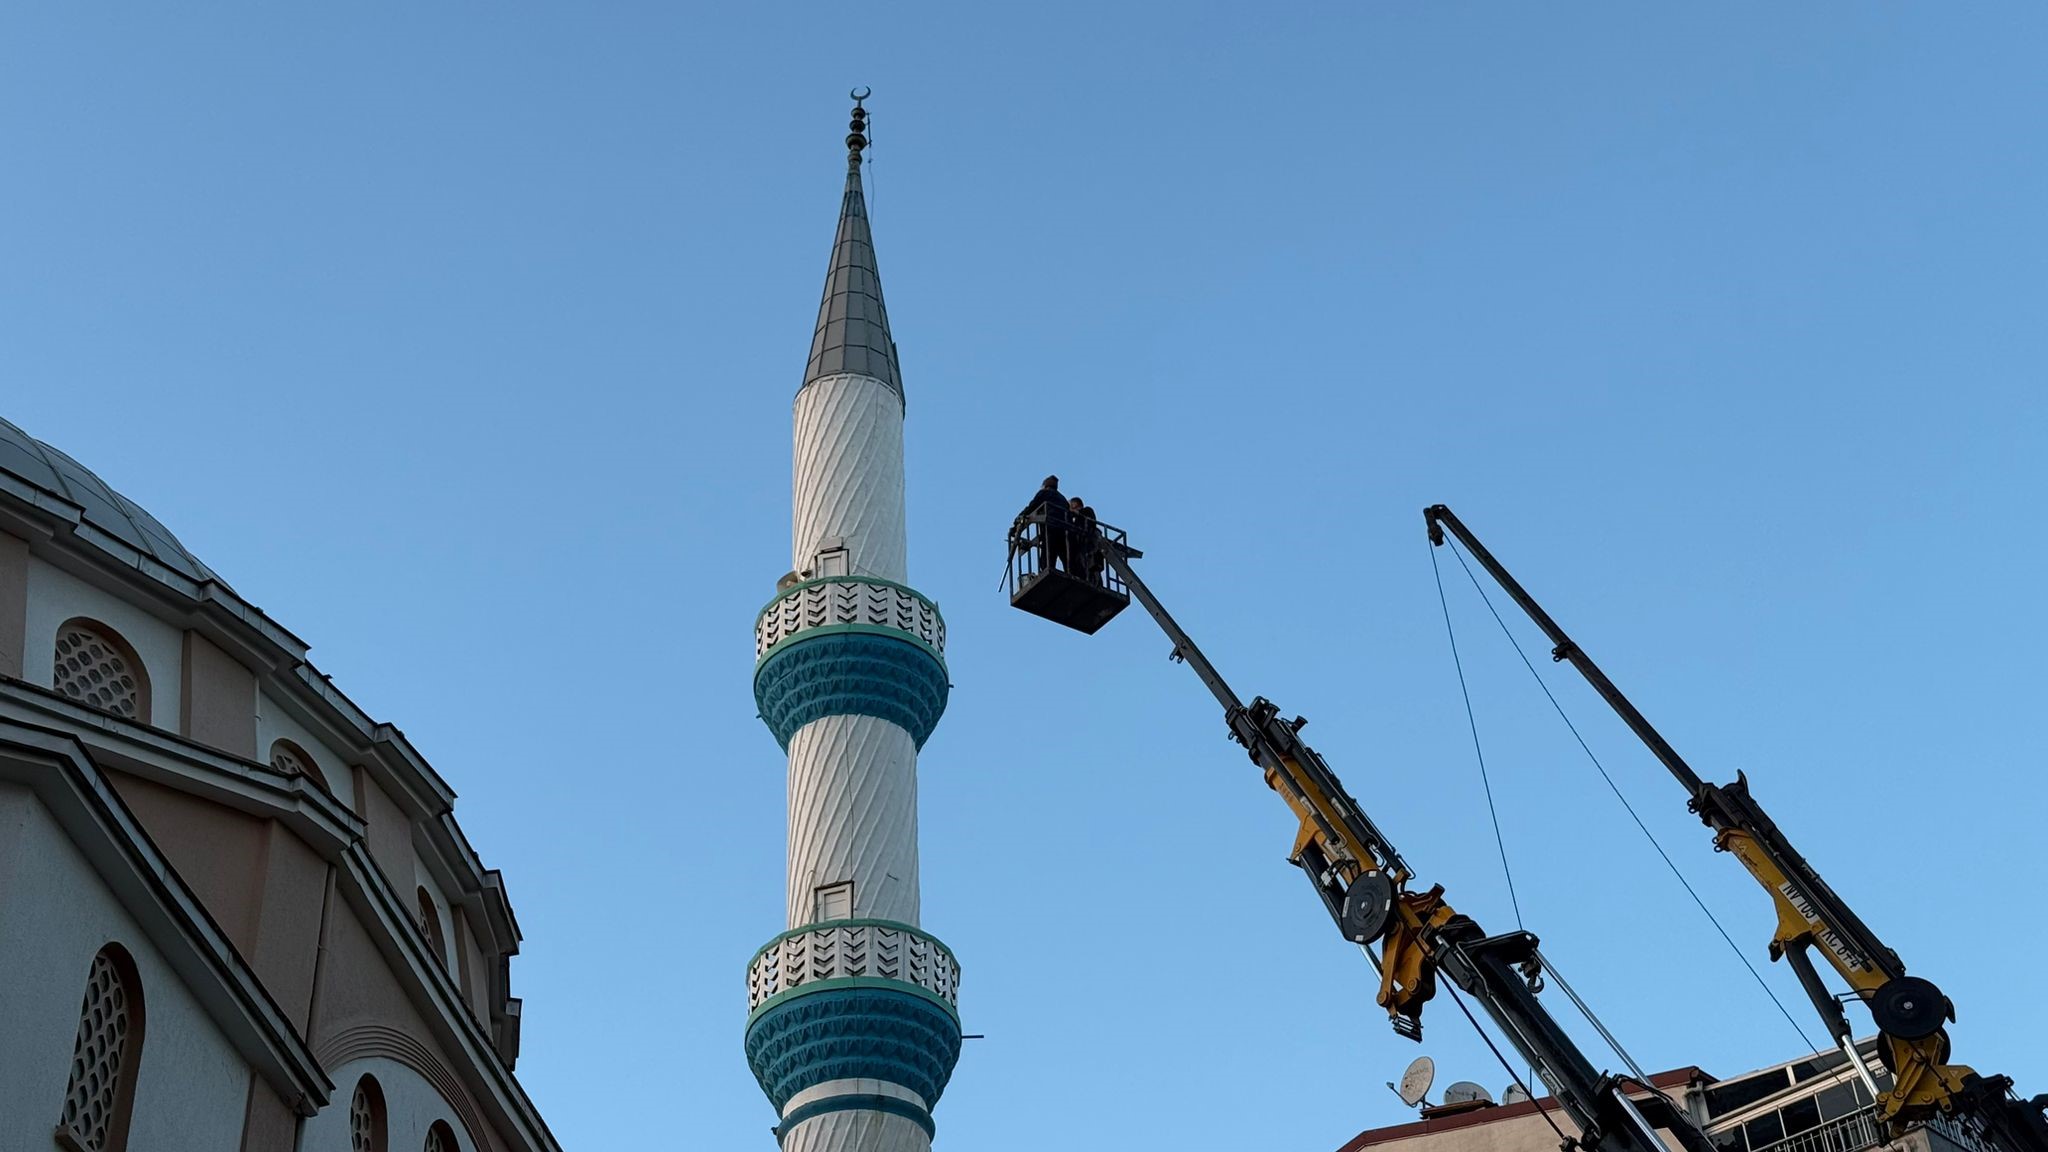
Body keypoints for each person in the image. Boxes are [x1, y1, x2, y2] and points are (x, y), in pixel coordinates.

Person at [1013, 475, 1066, 573]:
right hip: (1064, 530)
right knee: (1065, 557)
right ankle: (1070, 573)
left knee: (1046, 560)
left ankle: (1049, 573)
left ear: (1045, 486)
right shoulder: (1063, 499)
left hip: (1050, 528)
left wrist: (1017, 522)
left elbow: (1031, 507)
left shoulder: (1044, 493)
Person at [1080, 504, 1103, 584]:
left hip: (1091, 559)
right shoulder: (1095, 533)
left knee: (1094, 576)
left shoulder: (1091, 533)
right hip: (1092, 560)